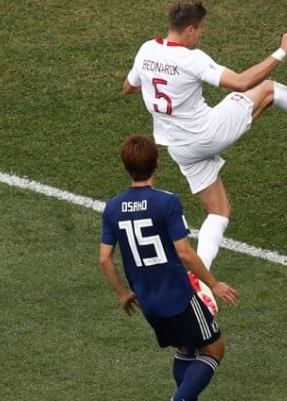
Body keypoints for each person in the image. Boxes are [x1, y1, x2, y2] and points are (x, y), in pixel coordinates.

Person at [123, 0, 287, 288]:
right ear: (189, 29)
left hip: (179, 148)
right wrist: (282, 50)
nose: (200, 34)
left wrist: (155, 81)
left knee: (219, 210)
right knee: (267, 90)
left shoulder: (146, 50)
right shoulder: (192, 58)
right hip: (208, 133)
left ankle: (197, 282)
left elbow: (129, 87)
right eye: (200, 29)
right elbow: (240, 82)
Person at [100, 134, 239, 401]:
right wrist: (214, 284)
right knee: (214, 350)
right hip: (178, 297)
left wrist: (122, 294)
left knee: (187, 348)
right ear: (157, 164)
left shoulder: (113, 207)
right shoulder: (167, 202)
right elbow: (185, 253)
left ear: (125, 168)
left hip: (148, 303)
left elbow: (105, 259)